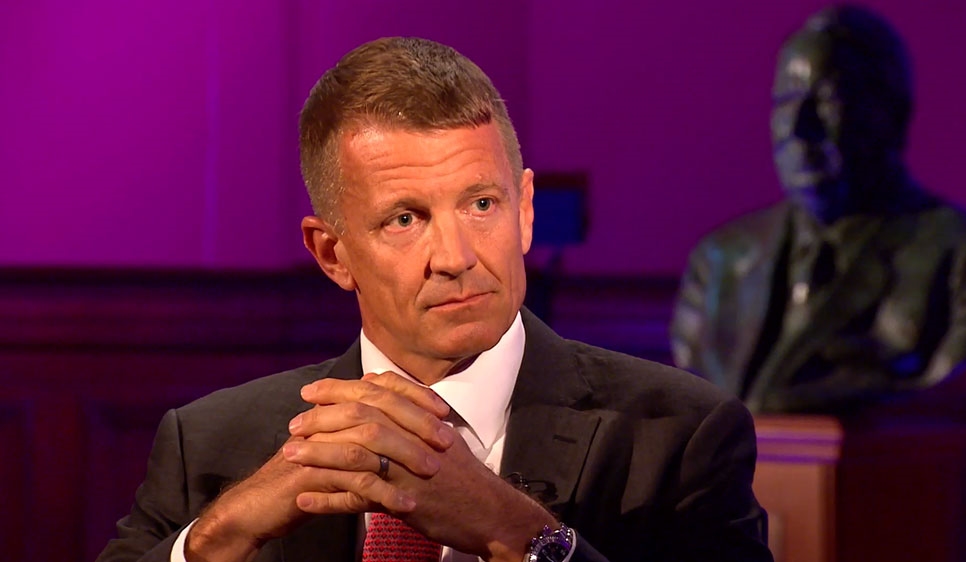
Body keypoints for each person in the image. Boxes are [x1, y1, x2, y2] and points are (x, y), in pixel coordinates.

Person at [97, 37, 772, 562]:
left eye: (481, 204)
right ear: (332, 253)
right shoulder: (211, 444)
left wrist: (522, 536)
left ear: (525, 211)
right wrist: (217, 536)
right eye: (405, 219)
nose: (455, 256)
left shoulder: (677, 436)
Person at [670, 5, 966, 414]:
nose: (797, 127)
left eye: (825, 100)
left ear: (892, 115)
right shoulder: (718, 260)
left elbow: (947, 412)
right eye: (785, 102)